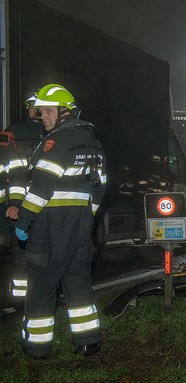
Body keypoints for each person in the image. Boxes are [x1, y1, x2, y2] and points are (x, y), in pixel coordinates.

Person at [14, 83, 106, 358]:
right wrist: (86, 218)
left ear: (64, 112)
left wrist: (23, 222)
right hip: (80, 225)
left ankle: (37, 348)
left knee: (41, 285)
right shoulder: (94, 142)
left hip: (51, 223)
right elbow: (100, 187)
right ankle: (88, 340)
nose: (43, 116)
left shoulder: (56, 142)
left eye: (48, 111)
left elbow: (42, 189)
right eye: (41, 112)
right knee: (78, 282)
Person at [0, 90, 43, 305]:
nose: (36, 109)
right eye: (32, 105)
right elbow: (12, 173)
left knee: (40, 253)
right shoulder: (13, 133)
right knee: (20, 255)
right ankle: (20, 302)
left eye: (41, 105)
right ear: (27, 108)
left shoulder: (54, 134)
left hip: (42, 205)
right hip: (14, 207)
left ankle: (36, 297)